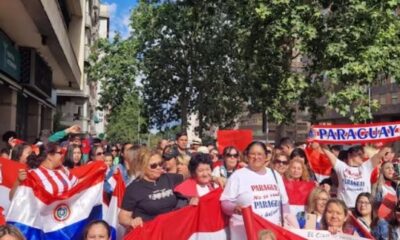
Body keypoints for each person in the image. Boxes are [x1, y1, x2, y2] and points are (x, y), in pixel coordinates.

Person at [220, 141, 293, 240]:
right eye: (252, 154)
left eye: (259, 154)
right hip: (244, 234)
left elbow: (284, 203)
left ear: (266, 156)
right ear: (247, 156)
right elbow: (225, 202)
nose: (256, 157)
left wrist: (290, 223)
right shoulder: (238, 175)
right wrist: (235, 208)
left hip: (270, 234)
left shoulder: (274, 174)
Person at [118, 148, 183, 229]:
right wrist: (131, 221)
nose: (159, 167)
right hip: (150, 233)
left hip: (171, 230)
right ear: (143, 167)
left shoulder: (168, 178)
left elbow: (189, 176)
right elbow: (122, 217)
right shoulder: (134, 188)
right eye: (153, 166)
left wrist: (193, 198)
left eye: (161, 164)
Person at [322, 145, 389, 209]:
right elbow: (327, 152)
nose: (362, 156)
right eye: (359, 154)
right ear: (350, 155)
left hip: (362, 209)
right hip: (345, 209)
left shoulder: (366, 167)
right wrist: (317, 138)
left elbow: (380, 154)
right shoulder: (341, 167)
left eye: (362, 154)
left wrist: (392, 136)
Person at [10, 142, 78, 199]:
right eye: (60, 153)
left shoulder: (63, 169)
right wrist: (18, 181)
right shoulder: (33, 174)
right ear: (50, 156)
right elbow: (13, 198)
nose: (63, 155)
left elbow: (77, 185)